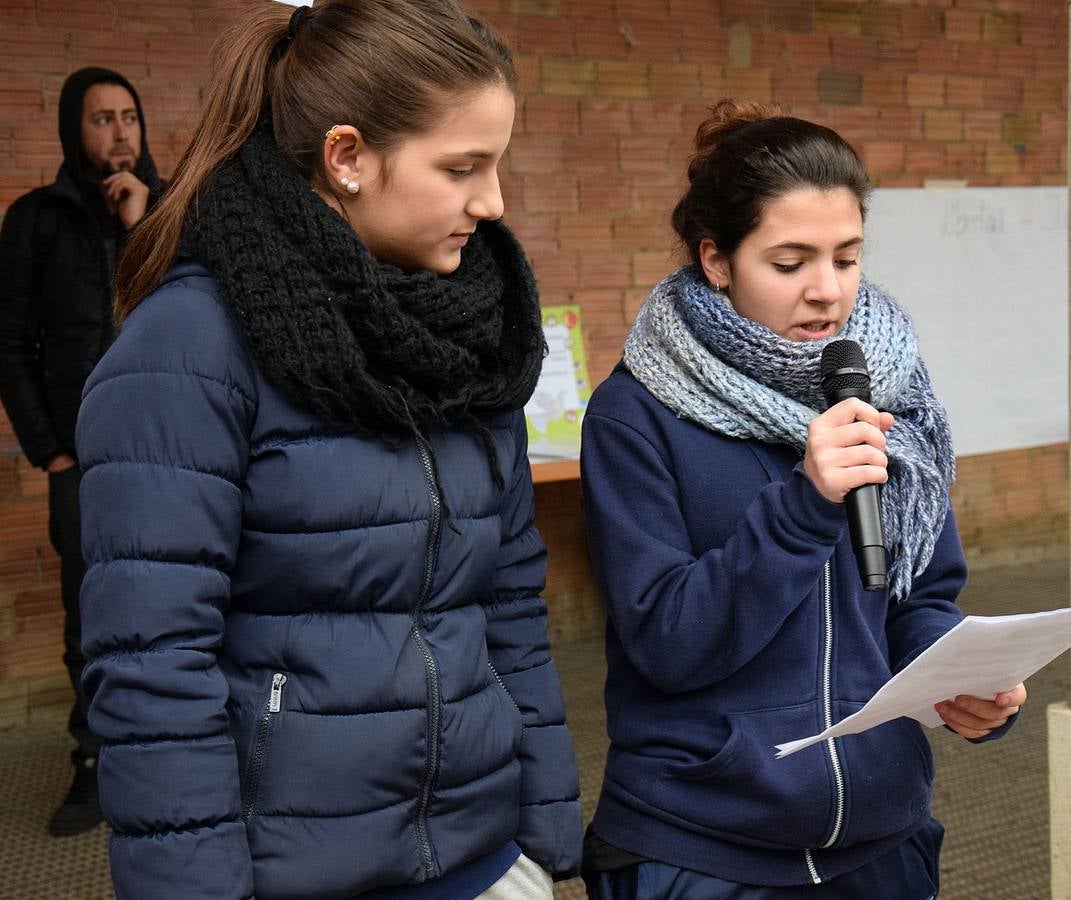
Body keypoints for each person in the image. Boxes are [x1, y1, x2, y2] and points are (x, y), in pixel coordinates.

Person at [75, 2, 581, 897]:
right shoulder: (187, 351)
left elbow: (507, 606)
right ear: (346, 157)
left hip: (487, 860)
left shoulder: (478, 333)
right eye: (462, 166)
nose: (492, 202)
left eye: (495, 163)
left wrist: (540, 830)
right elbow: (151, 666)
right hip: (289, 876)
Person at [578, 98, 1026, 899]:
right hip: (702, 846)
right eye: (790, 263)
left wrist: (964, 677)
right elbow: (668, 641)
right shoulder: (634, 413)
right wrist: (803, 504)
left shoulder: (888, 393)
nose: (827, 291)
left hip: (877, 841)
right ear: (716, 259)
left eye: (846, 258)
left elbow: (917, 596)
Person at [0, 66, 161, 837]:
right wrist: (50, 451)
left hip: (173, 449)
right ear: (75, 128)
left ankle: (173, 747)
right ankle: (95, 759)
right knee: (91, 614)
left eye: (129, 116)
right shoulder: (37, 220)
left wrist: (142, 225)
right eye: (102, 119)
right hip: (82, 459)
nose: (120, 131)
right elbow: (9, 343)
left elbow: (205, 308)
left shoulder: (173, 214)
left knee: (187, 599)